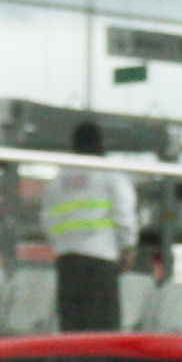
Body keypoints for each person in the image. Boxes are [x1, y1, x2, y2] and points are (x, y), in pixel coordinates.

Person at [43, 120, 136, 330]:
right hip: (101, 261)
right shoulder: (110, 174)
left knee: (73, 330)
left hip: (67, 262)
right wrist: (127, 248)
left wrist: (61, 246)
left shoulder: (59, 180)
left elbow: (47, 219)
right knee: (103, 331)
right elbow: (124, 215)